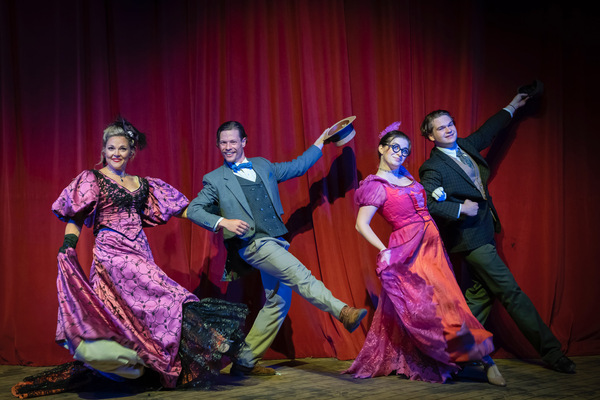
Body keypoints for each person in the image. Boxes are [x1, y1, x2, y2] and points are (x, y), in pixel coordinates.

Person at [12, 118, 248, 399]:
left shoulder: (143, 185)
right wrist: (68, 244)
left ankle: (162, 364)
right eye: (111, 148)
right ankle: (193, 353)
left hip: (139, 252)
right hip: (111, 256)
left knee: (149, 310)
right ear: (104, 150)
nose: (116, 154)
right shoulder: (93, 179)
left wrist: (219, 221)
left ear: (131, 152)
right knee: (161, 300)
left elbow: (182, 210)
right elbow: (74, 217)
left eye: (122, 149)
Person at [185, 121, 368, 376]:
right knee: (300, 275)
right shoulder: (216, 179)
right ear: (218, 145)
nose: (228, 147)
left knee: (278, 302)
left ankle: (245, 361)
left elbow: (298, 166)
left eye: (232, 141)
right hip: (252, 244)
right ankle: (343, 312)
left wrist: (321, 141)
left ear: (243, 142)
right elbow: (193, 209)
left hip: (275, 239)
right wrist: (223, 221)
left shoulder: (263, 165)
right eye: (223, 143)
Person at [418, 93, 576, 374]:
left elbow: (488, 131)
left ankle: (451, 357)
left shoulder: (465, 146)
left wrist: (512, 106)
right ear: (431, 137)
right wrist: (457, 209)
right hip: (469, 240)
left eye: (450, 123)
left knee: (479, 299)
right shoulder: (433, 167)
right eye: (441, 128)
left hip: (485, 231)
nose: (449, 129)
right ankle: (552, 353)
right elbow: (428, 203)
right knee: (511, 292)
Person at [345, 124, 505, 385]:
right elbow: (361, 224)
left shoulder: (406, 174)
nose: (400, 153)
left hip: (433, 245)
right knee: (433, 307)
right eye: (395, 147)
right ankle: (481, 360)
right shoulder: (376, 185)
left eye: (405, 150)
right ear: (382, 148)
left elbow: (422, 202)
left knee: (451, 300)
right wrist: (384, 250)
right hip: (408, 249)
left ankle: (476, 357)